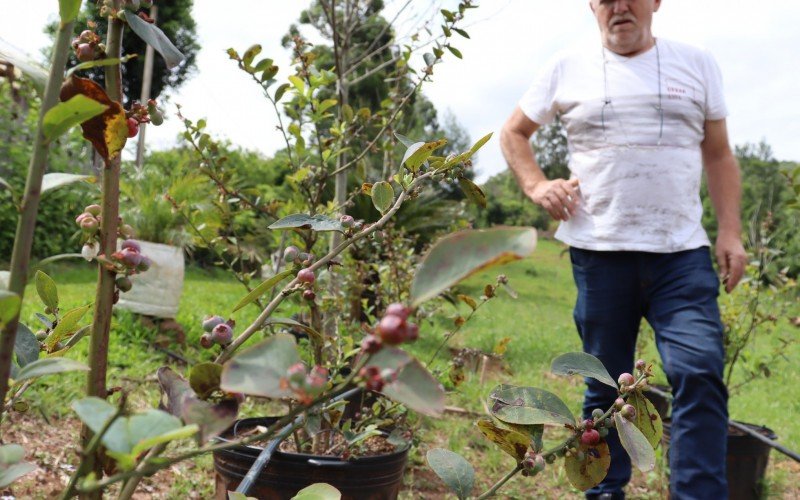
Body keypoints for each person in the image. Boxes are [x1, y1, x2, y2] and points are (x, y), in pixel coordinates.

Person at [499, 1, 747, 498]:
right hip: (599, 253)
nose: (619, 6)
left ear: (656, 2)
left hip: (682, 254)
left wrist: (730, 232)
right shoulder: (565, 66)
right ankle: (605, 492)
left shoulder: (696, 62)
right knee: (606, 387)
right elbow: (514, 133)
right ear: (592, 6)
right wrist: (535, 184)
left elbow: (718, 154)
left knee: (699, 372)